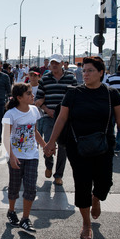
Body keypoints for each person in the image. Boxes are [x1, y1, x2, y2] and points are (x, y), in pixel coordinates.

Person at [44, 56, 120, 239]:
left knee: (105, 182)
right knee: (82, 184)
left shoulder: (111, 94)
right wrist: (50, 142)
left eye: (90, 71)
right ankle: (86, 224)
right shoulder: (73, 93)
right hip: (77, 147)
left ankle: (96, 199)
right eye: (84, 71)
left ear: (101, 73)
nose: (85, 74)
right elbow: (61, 118)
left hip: (104, 146)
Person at [2, 83, 46, 234]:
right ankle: (11, 211)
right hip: (16, 156)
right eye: (28, 93)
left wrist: (45, 146)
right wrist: (12, 157)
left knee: (30, 188)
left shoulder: (34, 110)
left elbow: (34, 132)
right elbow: (6, 138)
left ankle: (25, 219)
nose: (32, 95)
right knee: (14, 187)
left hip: (32, 155)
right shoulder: (10, 114)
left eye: (31, 93)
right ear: (19, 98)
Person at [35, 53, 77, 186]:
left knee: (63, 148)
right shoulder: (45, 79)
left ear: (62, 63)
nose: (54, 65)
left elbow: (76, 97)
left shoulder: (71, 77)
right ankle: (48, 165)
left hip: (65, 119)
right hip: (49, 117)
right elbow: (39, 99)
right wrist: (47, 110)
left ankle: (58, 175)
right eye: (52, 63)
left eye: (57, 63)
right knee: (48, 144)